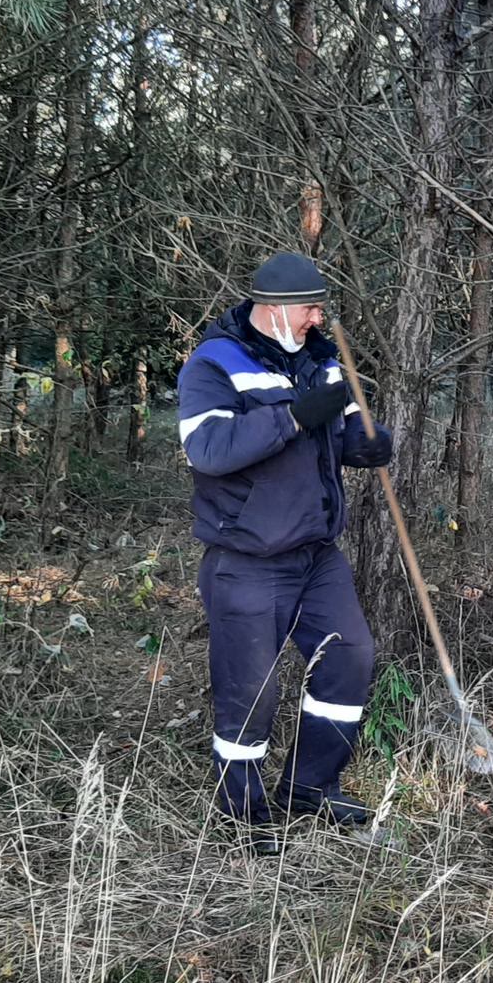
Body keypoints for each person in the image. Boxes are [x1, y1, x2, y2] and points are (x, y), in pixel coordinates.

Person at [176, 250, 392, 851]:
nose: (318, 319)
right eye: (310, 308)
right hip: (246, 557)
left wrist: (367, 444)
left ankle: (310, 789)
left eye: (321, 308)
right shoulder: (215, 363)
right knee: (252, 690)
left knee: (350, 658)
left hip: (317, 553)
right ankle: (242, 817)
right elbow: (209, 450)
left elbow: (343, 432)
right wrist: (293, 416)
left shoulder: (323, 361)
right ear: (272, 309)